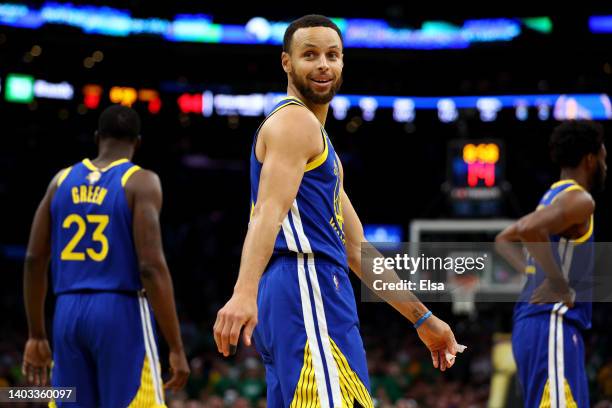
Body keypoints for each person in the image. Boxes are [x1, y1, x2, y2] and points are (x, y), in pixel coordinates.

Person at [214, 15, 462, 407]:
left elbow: (356, 249)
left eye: (333, 55)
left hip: (307, 292)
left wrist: (422, 318)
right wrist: (242, 293)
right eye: (310, 55)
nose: (323, 65)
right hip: (305, 286)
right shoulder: (295, 121)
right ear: (286, 63)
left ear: (344, 62)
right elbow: (268, 212)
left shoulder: (319, 144)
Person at [22, 105, 190, 407]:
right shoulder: (141, 181)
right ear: (137, 142)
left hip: (67, 312)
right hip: (120, 309)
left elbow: (34, 259)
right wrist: (176, 346)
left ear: (97, 138)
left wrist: (36, 334)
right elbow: (151, 267)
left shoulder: (60, 180)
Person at [496, 120, 607, 407]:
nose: (606, 164)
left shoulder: (550, 199)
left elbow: (504, 239)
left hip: (538, 325)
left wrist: (537, 272)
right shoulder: (580, 200)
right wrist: (556, 282)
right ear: (591, 159)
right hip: (552, 323)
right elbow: (528, 229)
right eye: (604, 157)